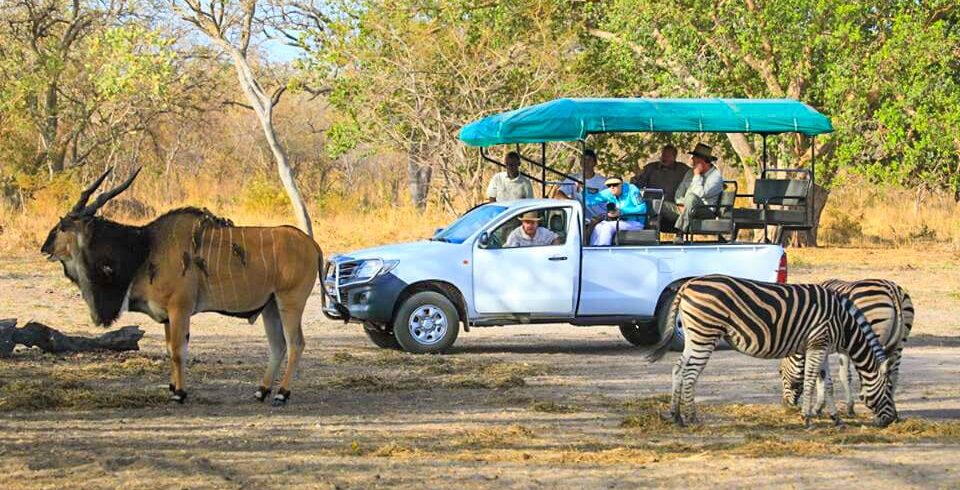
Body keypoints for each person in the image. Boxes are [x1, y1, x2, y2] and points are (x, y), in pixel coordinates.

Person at [670, 143, 724, 242]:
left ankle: (680, 233)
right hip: (684, 208)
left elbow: (699, 194)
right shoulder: (690, 172)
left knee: (691, 197)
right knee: (659, 204)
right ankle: (647, 237)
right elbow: (679, 192)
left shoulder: (715, 177)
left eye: (694, 158)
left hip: (705, 210)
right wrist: (680, 204)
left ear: (703, 161)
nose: (692, 160)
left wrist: (697, 175)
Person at [589, 177, 647, 246]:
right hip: (618, 221)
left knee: (607, 226)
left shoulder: (632, 189)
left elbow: (643, 209)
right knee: (598, 226)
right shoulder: (609, 191)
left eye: (615, 184)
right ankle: (593, 251)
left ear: (622, 184)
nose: (612, 187)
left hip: (635, 222)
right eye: (609, 185)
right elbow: (590, 201)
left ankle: (604, 252)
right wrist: (581, 190)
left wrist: (621, 211)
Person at [556, 149, 607, 219]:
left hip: (598, 220)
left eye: (589, 160)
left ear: (595, 163)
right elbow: (559, 194)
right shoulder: (573, 178)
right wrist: (573, 203)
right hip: (578, 220)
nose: (586, 162)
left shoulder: (603, 182)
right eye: (584, 159)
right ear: (580, 162)